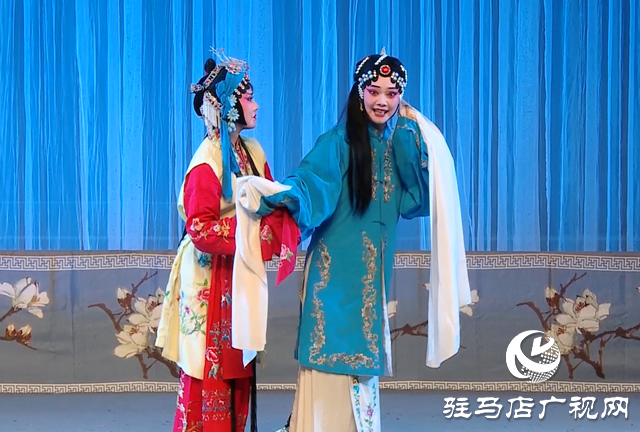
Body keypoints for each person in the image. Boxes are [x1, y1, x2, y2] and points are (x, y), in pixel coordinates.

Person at [254, 49, 471, 432]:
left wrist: (409, 139)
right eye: (374, 91)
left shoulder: (393, 148)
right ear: (359, 93)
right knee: (329, 369)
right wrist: (276, 194)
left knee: (361, 370)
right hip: (333, 283)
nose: (382, 101)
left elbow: (418, 199)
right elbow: (309, 185)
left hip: (369, 286)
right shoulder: (337, 143)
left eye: (391, 93)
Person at [156, 49, 290, 432]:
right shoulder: (208, 160)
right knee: (207, 369)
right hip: (210, 276)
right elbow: (200, 228)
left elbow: (270, 203)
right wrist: (251, 234)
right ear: (228, 105)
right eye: (248, 98)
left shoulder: (252, 152)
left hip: (239, 272)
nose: (256, 105)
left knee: (240, 367)